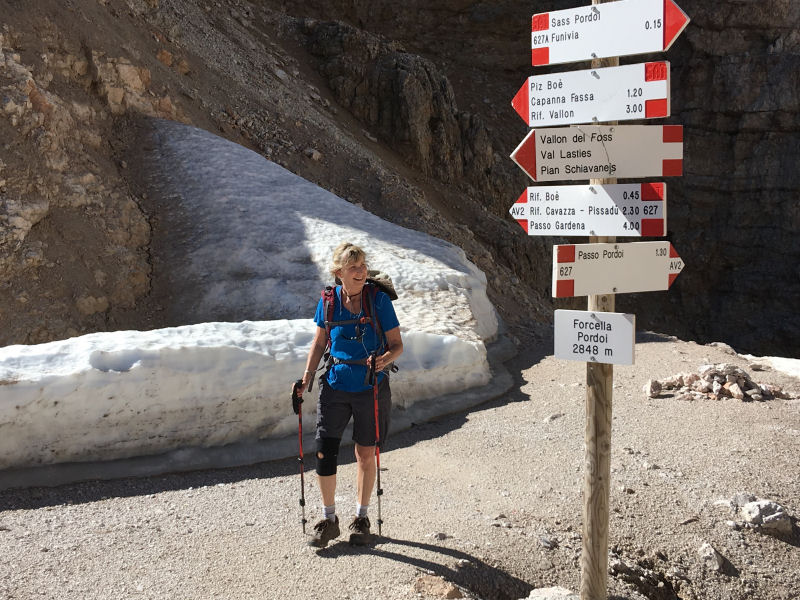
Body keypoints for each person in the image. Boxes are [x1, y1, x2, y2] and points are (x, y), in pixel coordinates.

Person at [294, 242, 403, 548]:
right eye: (353, 267)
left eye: (363, 265)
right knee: (323, 451)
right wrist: (306, 379)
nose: (360, 271)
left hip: (371, 386)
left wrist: (384, 360)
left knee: (365, 453)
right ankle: (329, 520)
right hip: (335, 384)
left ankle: (361, 517)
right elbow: (319, 342)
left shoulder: (378, 300)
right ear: (339, 272)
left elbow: (397, 344)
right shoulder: (328, 302)